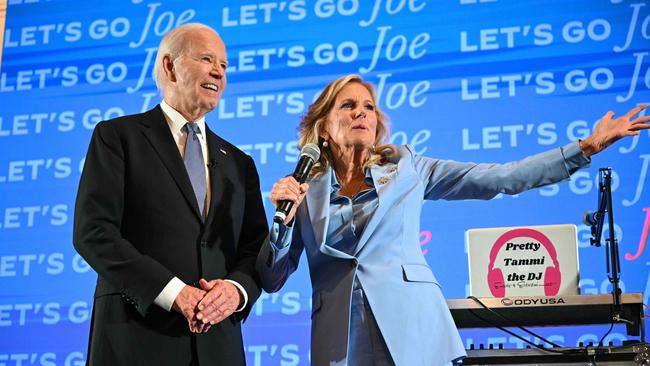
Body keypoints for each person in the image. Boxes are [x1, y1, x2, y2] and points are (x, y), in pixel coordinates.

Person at [256, 74, 650, 366]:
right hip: (339, 342)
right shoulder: (303, 189)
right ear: (323, 127)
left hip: (414, 328)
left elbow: (501, 177)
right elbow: (272, 279)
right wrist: (283, 225)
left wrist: (583, 148)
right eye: (348, 105)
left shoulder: (409, 169)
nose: (361, 111)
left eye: (369, 106)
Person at [73, 23, 268, 365]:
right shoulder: (118, 137)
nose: (218, 73)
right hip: (135, 339)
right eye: (207, 59)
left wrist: (234, 292)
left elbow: (255, 248)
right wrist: (176, 293)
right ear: (169, 66)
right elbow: (94, 232)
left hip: (217, 346)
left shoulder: (239, 163)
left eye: (224, 65)